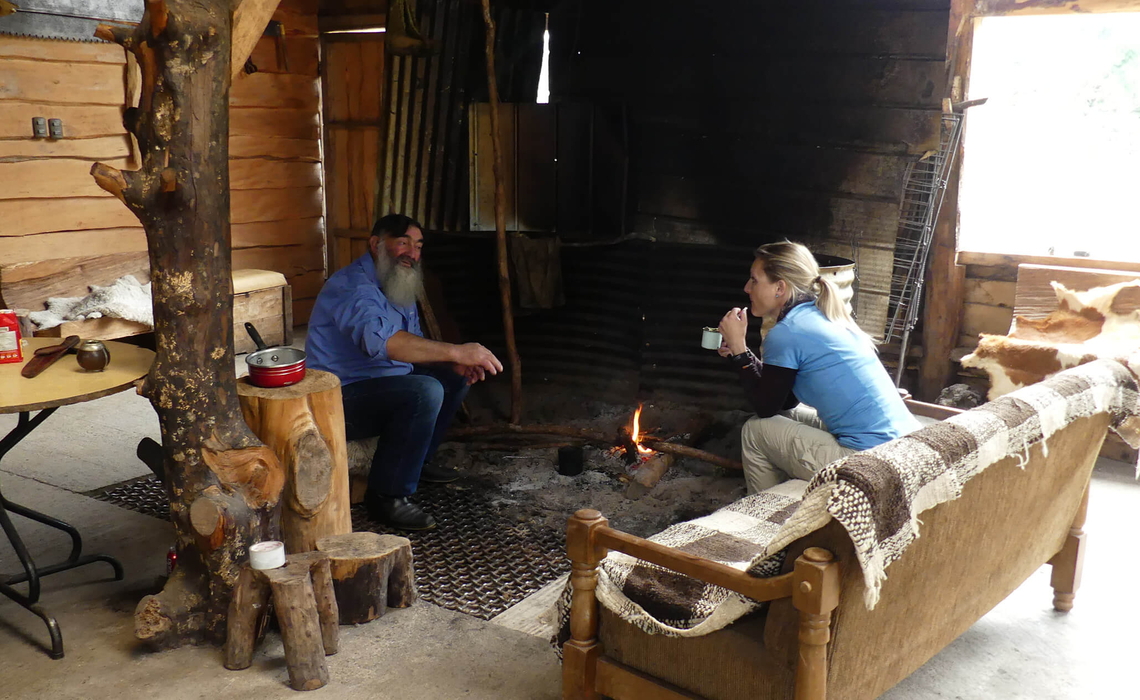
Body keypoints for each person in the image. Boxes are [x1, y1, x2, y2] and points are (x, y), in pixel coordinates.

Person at [306, 214, 503, 530]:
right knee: (424, 391)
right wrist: (457, 349)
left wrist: (453, 363)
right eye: (403, 243)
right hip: (340, 399)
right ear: (376, 244)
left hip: (382, 388)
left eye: (418, 245)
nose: (412, 253)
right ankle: (387, 496)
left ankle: (418, 461)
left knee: (454, 378)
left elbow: (411, 350)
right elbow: (382, 343)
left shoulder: (398, 283)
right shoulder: (352, 286)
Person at [717, 241, 920, 494]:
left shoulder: (786, 332)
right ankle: (787, 495)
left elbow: (765, 407)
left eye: (754, 280)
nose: (747, 287)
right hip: (901, 446)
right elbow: (785, 401)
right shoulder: (818, 314)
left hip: (870, 461)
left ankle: (763, 514)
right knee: (783, 418)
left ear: (780, 287)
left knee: (755, 431)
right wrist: (743, 353)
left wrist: (738, 351)